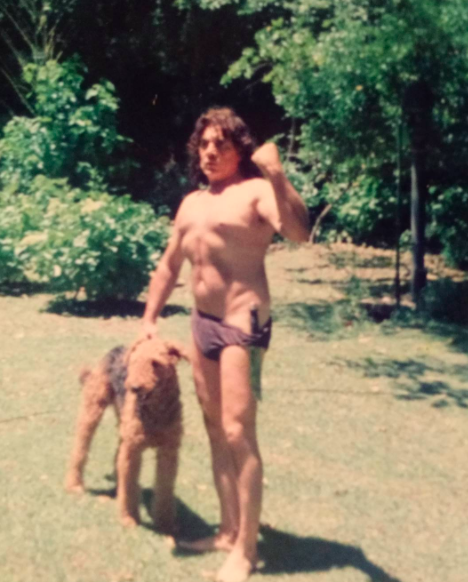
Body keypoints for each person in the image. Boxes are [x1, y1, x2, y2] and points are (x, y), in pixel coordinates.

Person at [140, 107, 309, 582]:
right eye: (205, 143)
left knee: (238, 432)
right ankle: (228, 531)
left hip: (243, 323)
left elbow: (299, 232)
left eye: (222, 144)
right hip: (202, 324)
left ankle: (247, 551)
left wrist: (277, 174)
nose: (210, 151)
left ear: (240, 150)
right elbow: (170, 265)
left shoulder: (256, 191)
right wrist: (149, 318)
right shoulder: (191, 203)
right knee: (215, 429)